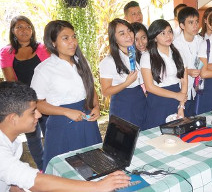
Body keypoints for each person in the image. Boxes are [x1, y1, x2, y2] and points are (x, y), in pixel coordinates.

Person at [0, 81, 130, 192]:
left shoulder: (11, 139)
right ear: (13, 118)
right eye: (33, 112)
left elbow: (12, 177)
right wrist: (97, 186)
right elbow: (35, 181)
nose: (39, 115)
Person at [30, 20, 102, 170]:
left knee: (94, 166)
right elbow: (38, 103)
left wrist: (96, 106)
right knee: (66, 170)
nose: (72, 42)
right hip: (62, 125)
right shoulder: (44, 69)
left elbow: (90, 89)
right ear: (53, 42)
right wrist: (66, 111)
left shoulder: (82, 62)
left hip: (87, 122)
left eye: (74, 37)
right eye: (65, 38)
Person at [0, 15, 50, 171]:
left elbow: (50, 74)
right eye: (19, 27)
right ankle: (43, 168)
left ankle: (54, 163)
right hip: (25, 102)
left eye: (27, 26)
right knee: (33, 137)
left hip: (45, 99)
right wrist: (27, 101)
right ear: (13, 31)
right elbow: (11, 80)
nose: (24, 30)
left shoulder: (42, 48)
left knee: (50, 132)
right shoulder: (6, 52)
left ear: (32, 29)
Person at [140, 19, 188, 129]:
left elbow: (184, 80)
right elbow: (150, 87)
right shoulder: (147, 56)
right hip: (158, 100)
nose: (168, 36)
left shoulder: (178, 53)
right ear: (155, 37)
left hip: (178, 98)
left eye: (170, 32)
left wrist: (181, 106)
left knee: (178, 133)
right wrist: (176, 95)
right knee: (158, 136)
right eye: (163, 33)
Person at [99, 19, 147, 129]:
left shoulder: (136, 54)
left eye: (129, 31)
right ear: (114, 38)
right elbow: (105, 91)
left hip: (140, 100)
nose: (128, 35)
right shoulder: (109, 61)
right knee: (126, 140)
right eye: (122, 33)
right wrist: (126, 83)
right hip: (123, 104)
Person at [174, 6, 203, 116]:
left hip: (198, 88)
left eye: (196, 22)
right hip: (181, 89)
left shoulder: (200, 41)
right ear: (182, 25)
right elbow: (175, 67)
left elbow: (201, 61)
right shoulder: (175, 44)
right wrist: (188, 71)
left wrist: (199, 68)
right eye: (191, 22)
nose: (195, 26)